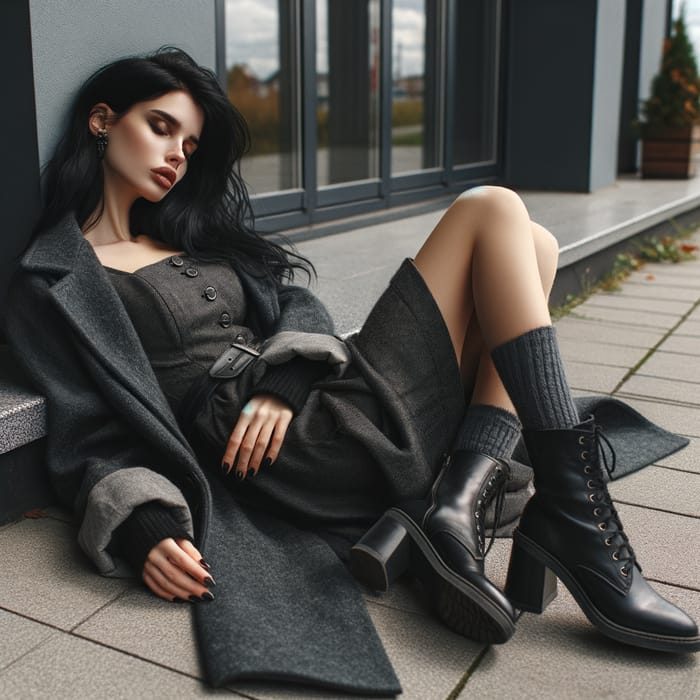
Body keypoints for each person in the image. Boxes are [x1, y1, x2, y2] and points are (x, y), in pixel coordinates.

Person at [6, 47, 698, 691]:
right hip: (281, 451)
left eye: (188, 144)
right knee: (492, 209)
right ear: (102, 120)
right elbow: (86, 430)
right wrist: (142, 523)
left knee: (535, 240)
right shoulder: (57, 275)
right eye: (160, 128)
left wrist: (285, 380)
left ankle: (458, 504)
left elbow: (297, 304)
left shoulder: (188, 234)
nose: (176, 157)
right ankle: (546, 513)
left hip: (309, 402)